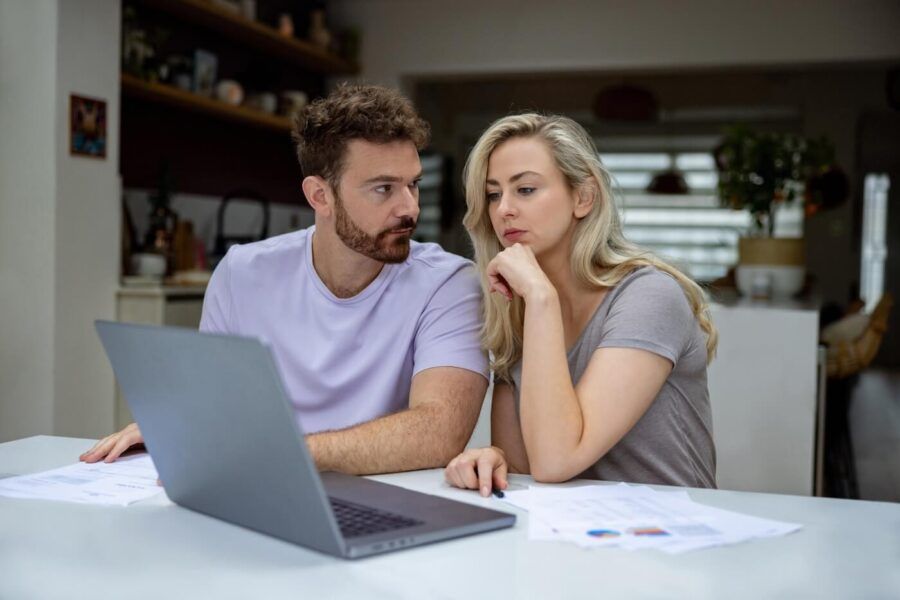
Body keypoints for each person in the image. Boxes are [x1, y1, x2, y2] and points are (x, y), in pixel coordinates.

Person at [81, 85, 489, 474]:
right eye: (384, 188)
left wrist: (277, 454)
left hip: (384, 495)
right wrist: (181, 431)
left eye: (413, 184)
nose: (409, 208)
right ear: (319, 196)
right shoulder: (243, 273)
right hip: (261, 487)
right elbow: (214, 405)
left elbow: (439, 433)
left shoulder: (448, 283)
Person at [444, 114, 718, 497]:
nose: (503, 209)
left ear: (583, 197)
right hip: (571, 539)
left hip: (668, 539)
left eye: (524, 189)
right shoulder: (515, 312)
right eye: (493, 194)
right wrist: (493, 460)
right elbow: (529, 471)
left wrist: (541, 300)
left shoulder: (649, 295)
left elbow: (557, 460)